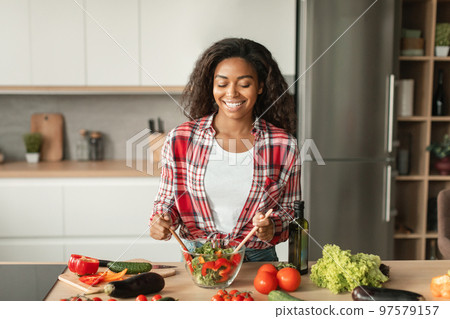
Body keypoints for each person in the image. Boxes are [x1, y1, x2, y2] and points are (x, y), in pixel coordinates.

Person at [149, 38, 300, 262]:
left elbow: (289, 211)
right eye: (222, 84)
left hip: (258, 261)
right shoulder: (181, 138)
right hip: (199, 260)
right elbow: (168, 201)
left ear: (260, 87)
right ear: (211, 87)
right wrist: (161, 221)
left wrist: (272, 227)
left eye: (244, 84)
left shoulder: (284, 144)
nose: (232, 93)